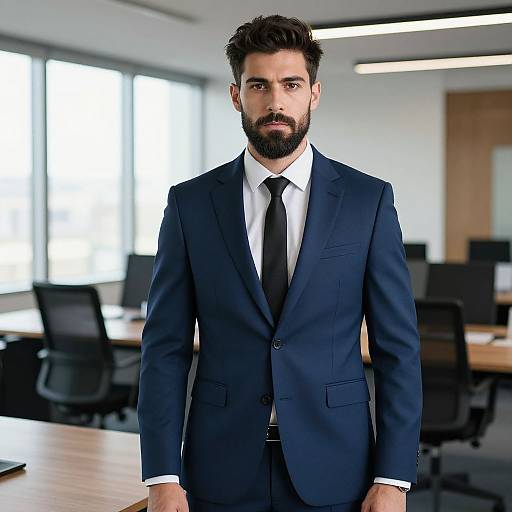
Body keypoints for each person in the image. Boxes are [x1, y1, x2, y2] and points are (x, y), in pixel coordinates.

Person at [138, 14, 422, 512]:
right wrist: (162, 474)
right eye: (259, 85)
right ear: (236, 95)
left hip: (337, 463)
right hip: (218, 464)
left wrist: (394, 477)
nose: (275, 101)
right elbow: (164, 349)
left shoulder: (367, 201)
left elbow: (397, 348)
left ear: (314, 93)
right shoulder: (190, 205)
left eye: (291, 84)